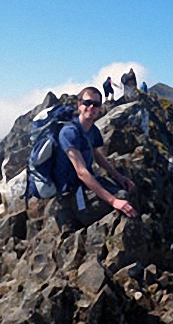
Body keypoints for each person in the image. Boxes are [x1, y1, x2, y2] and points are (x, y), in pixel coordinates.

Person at [52, 86, 137, 232]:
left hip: (86, 185)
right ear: (79, 105)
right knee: (122, 199)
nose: (92, 107)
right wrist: (113, 201)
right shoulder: (69, 132)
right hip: (72, 194)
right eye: (87, 102)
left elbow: (96, 154)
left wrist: (118, 176)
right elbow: (81, 172)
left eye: (96, 104)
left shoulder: (92, 130)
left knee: (127, 189)